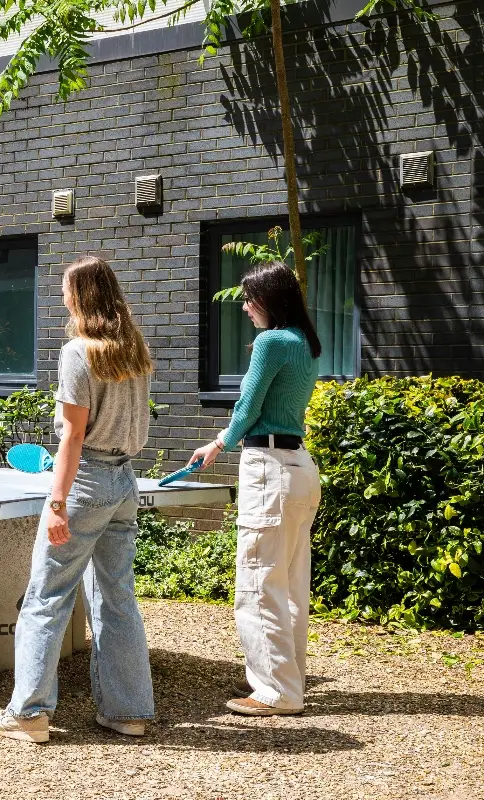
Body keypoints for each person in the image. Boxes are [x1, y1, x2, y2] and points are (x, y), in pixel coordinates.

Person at [0, 255, 156, 744]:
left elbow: (73, 438)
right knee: (117, 597)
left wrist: (56, 501)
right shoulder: (134, 350)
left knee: (46, 595)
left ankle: (29, 713)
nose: (61, 297)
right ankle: (128, 712)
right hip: (125, 483)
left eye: (65, 289)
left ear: (81, 297)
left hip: (84, 484)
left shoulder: (79, 352)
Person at [186, 261, 322, 716]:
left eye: (249, 299)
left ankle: (276, 692)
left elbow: (248, 406)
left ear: (268, 299)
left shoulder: (271, 342)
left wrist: (217, 442)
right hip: (300, 466)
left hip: (269, 467)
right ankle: (290, 679)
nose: (244, 308)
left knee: (259, 582)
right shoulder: (305, 344)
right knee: (290, 584)